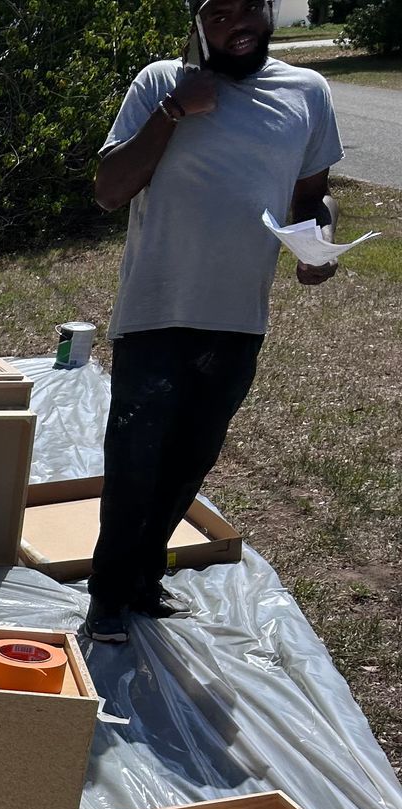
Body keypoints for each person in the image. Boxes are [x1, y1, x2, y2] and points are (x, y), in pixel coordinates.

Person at [87, 0, 341, 643]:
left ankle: (145, 580)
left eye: (251, 8)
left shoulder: (307, 91)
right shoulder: (157, 81)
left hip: (238, 314)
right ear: (198, 21)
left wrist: (317, 244)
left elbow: (311, 197)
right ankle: (108, 597)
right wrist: (175, 110)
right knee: (135, 457)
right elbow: (110, 189)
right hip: (155, 308)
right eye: (221, 12)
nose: (241, 23)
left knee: (191, 458)